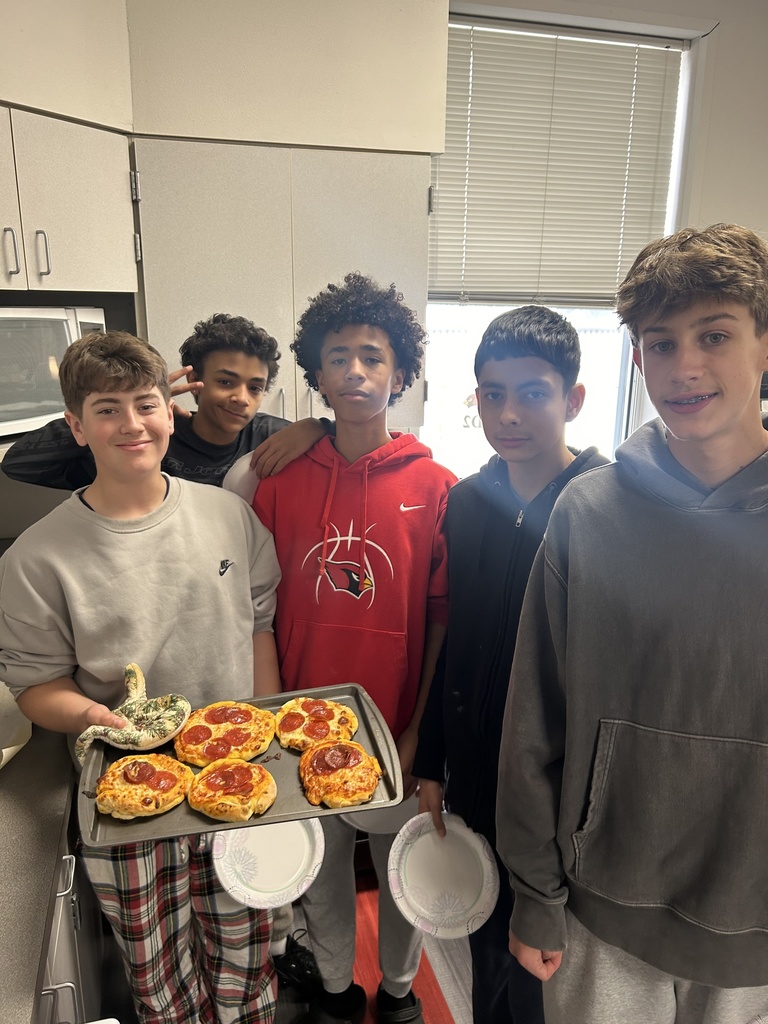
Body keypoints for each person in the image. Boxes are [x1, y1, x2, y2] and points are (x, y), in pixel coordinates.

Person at [496, 223, 768, 1024]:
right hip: (602, 908)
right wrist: (535, 895)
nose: (684, 367)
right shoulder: (589, 512)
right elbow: (531, 725)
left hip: (755, 919)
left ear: (762, 343)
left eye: (714, 335)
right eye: (659, 344)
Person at [0, 331, 282, 1024]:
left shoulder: (228, 516)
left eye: (146, 404)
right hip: (129, 792)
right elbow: (37, 687)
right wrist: (92, 717)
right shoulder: (38, 558)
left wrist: (269, 730)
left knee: (249, 952)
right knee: (159, 978)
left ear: (170, 411)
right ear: (75, 424)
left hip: (238, 774)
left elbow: (258, 628)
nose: (131, 424)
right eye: (107, 408)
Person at [251, 272, 457, 1024]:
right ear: (317, 376)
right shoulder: (275, 480)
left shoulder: (438, 487)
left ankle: (400, 993)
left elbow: (442, 622)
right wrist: (271, 722)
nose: (357, 372)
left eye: (373, 357)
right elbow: (259, 611)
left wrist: (416, 732)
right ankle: (337, 991)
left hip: (391, 733)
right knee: (320, 873)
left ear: (400, 372)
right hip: (299, 728)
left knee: (403, 875)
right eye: (339, 358)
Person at [413, 305, 606, 1024]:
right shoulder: (465, 502)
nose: (508, 413)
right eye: (491, 393)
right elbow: (456, 637)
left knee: (547, 968)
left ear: (573, 399)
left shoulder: (603, 508)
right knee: (484, 947)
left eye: (532, 392)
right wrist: (433, 757)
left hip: (559, 791)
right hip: (474, 771)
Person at [1, 312, 330, 489]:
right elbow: (19, 464)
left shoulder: (273, 437)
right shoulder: (143, 441)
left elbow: (352, 456)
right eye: (226, 381)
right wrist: (131, 404)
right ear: (193, 382)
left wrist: (320, 426)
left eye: (255, 388)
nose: (241, 399)